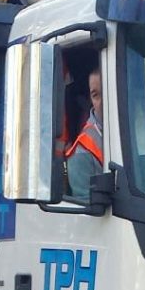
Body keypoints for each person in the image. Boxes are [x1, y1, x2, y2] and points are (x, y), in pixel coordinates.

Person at [65, 67, 103, 203]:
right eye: (95, 95)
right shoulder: (81, 152)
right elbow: (88, 214)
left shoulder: (143, 128)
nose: (102, 101)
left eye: (106, 90)